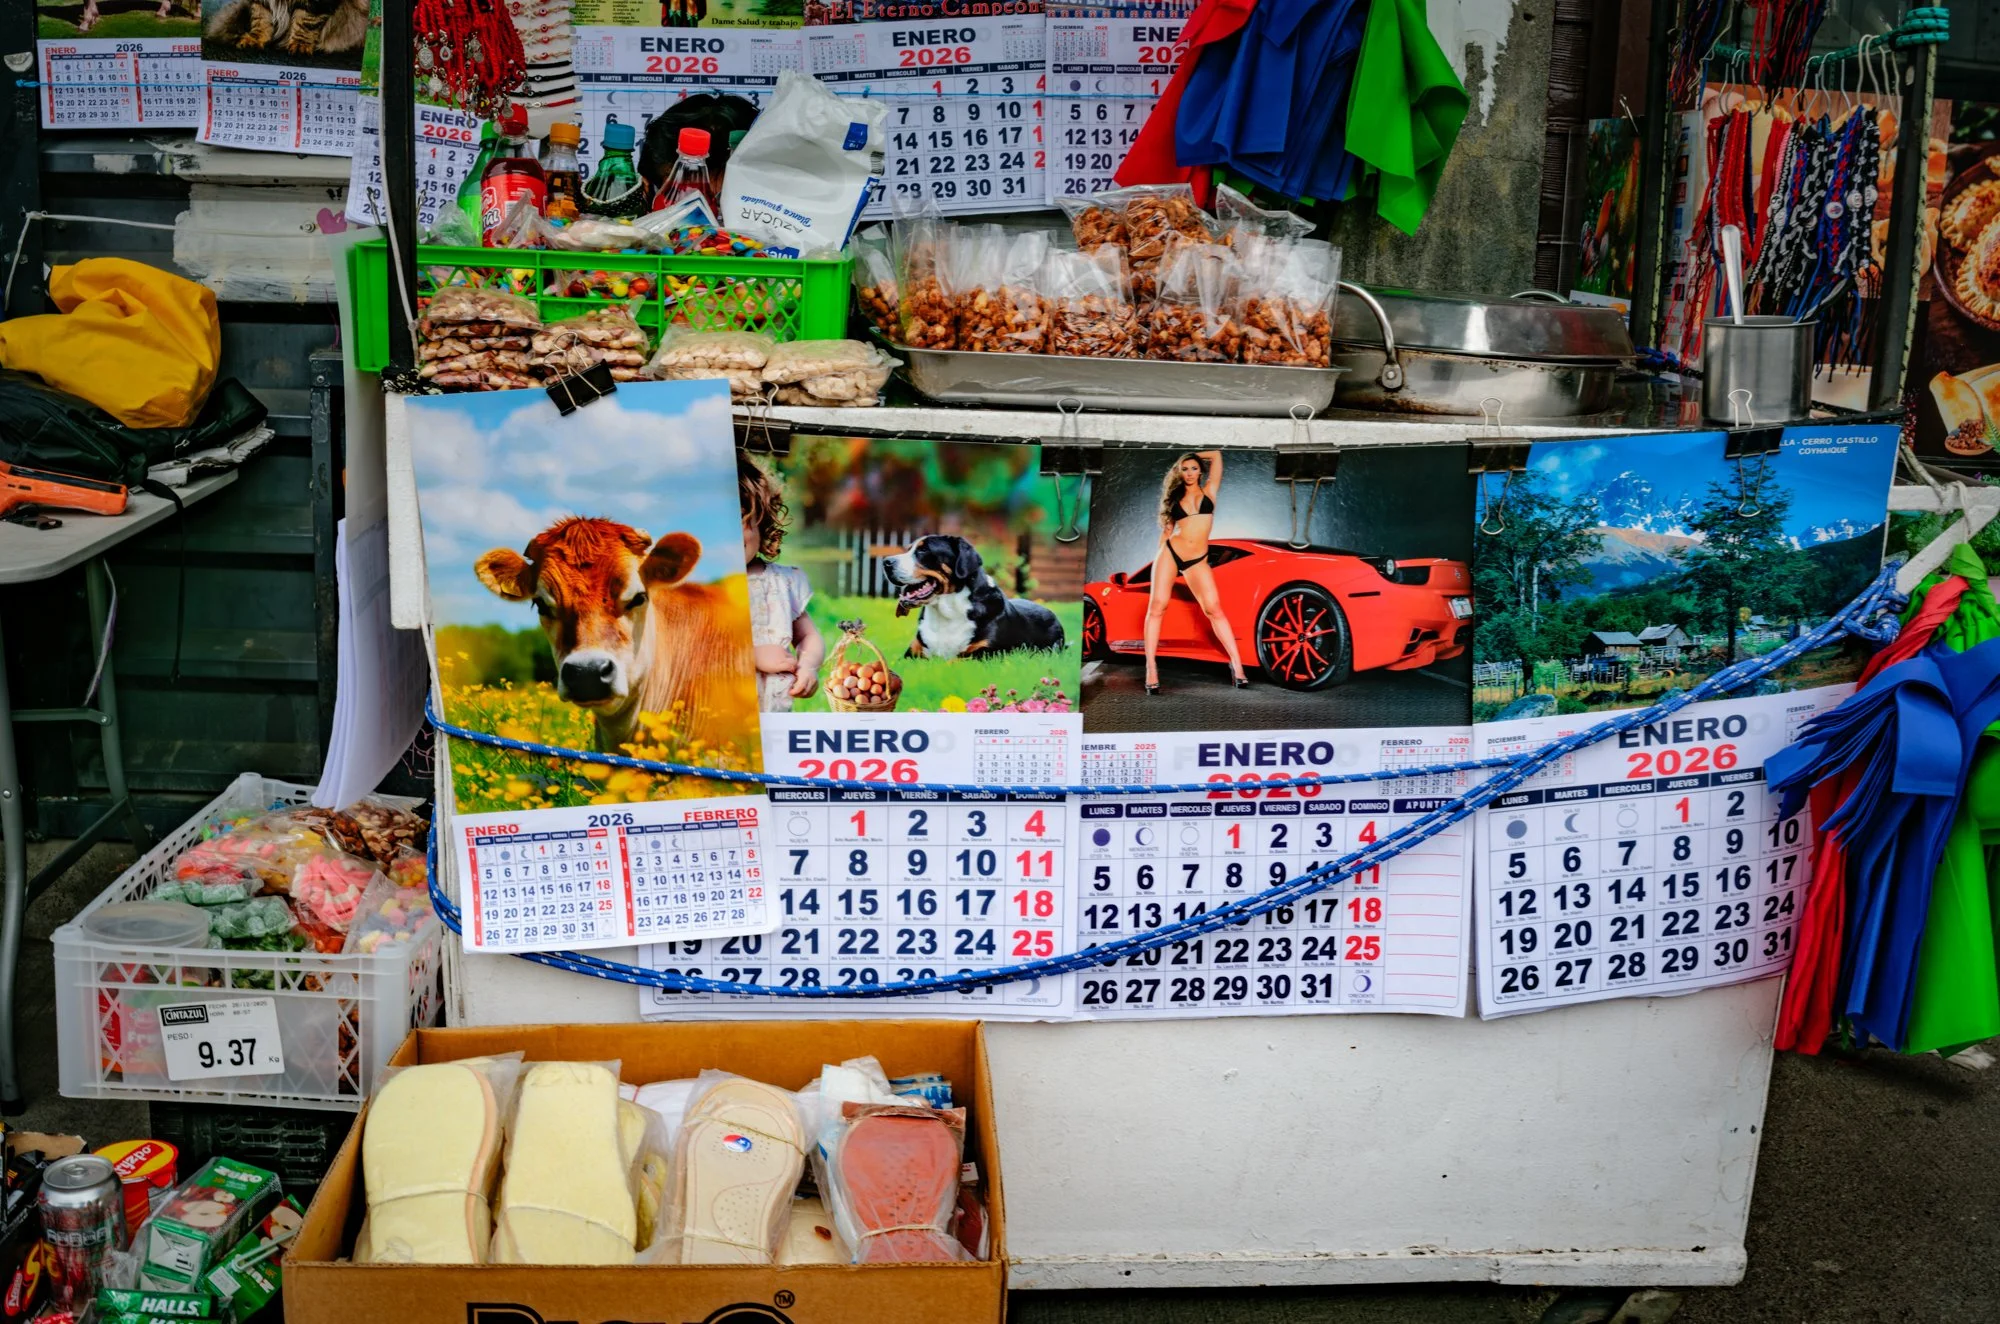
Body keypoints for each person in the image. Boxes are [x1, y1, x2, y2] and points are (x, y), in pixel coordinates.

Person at [1144, 449, 1248, 694]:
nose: (1189, 473)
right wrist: (1157, 561)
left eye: (1193, 468)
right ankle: (1151, 667)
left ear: (1200, 470)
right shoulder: (1174, 499)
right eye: (1184, 469)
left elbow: (1218, 456)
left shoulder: (1210, 491)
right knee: (1157, 606)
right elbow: (1168, 532)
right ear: (1179, 473)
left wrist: (1189, 456)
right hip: (1171, 552)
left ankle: (1238, 665)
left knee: (1214, 609)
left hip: (1197, 559)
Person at [739, 455, 825, 712]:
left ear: (761, 520)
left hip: (775, 710)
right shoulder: (705, 588)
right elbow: (698, 649)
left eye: (743, 519)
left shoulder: (781, 582)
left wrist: (808, 665)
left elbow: (808, 635)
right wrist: (751, 656)